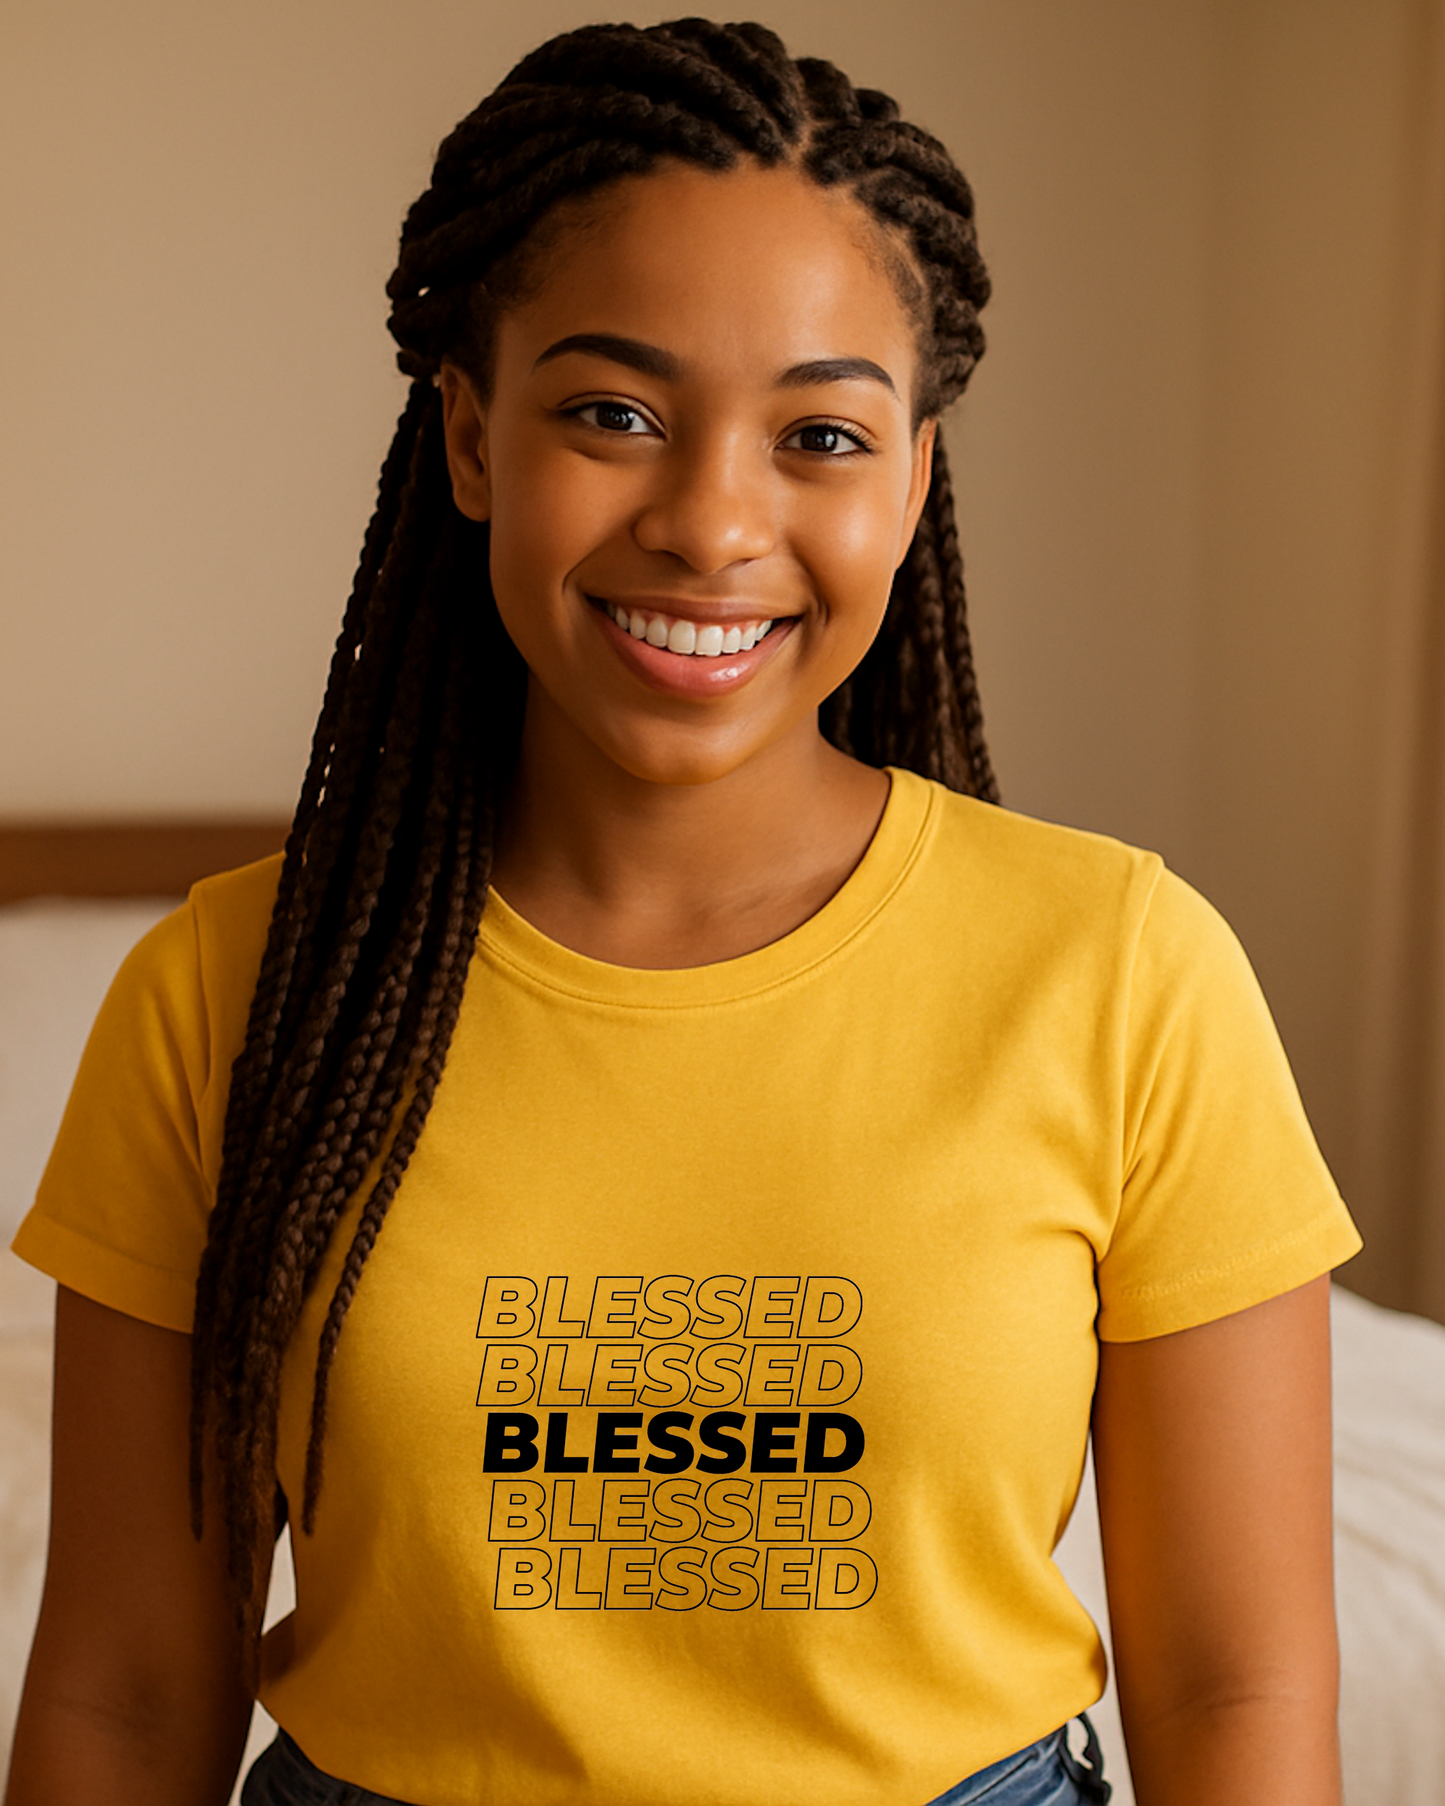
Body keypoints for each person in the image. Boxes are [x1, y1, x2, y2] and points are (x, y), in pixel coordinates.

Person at [7, 18, 1360, 1806]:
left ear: (914, 480)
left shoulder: (1126, 970)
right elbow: (118, 1691)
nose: (716, 520)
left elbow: (1238, 1687)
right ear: (475, 436)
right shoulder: (228, 994)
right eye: (614, 413)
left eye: (819, 432)